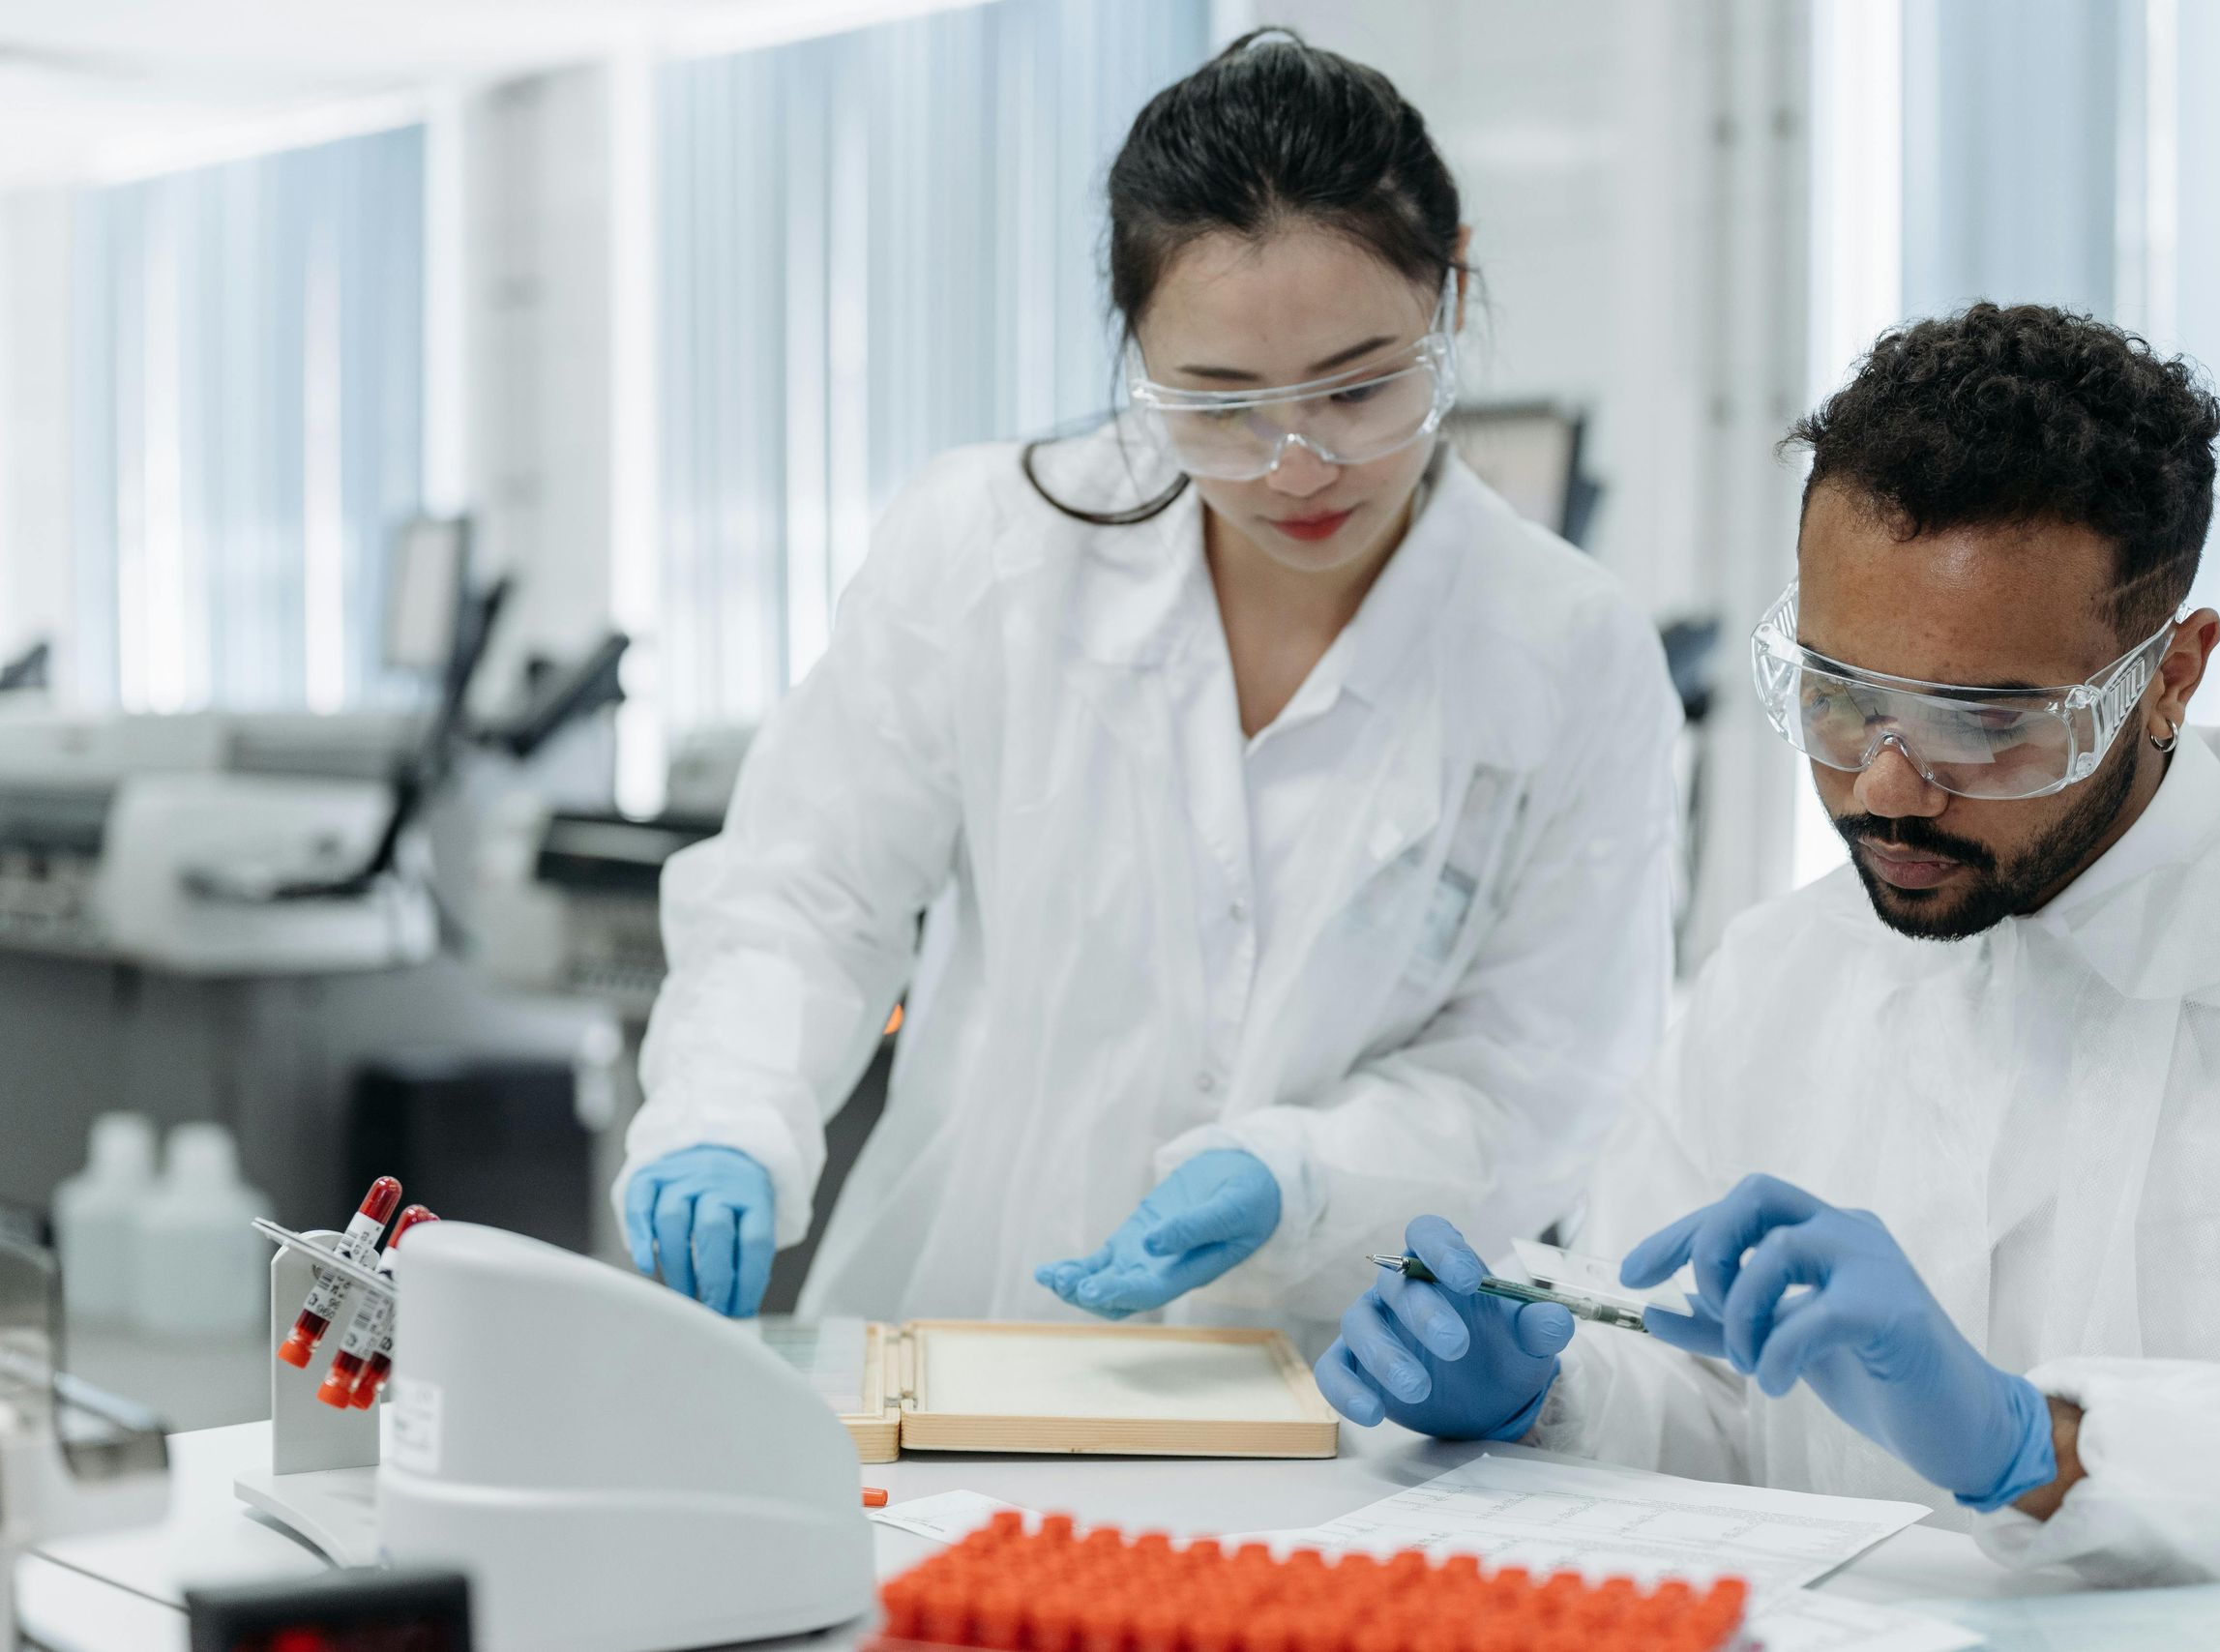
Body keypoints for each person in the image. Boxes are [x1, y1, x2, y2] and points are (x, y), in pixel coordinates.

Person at [1317, 303, 2220, 1585]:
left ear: (2172, 674)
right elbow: (1698, 1408)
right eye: (1836, 695)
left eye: (1982, 724)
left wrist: (2042, 1446)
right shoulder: (1779, 975)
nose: (1882, 787)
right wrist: (1539, 1387)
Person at [614, 31, 1680, 1329]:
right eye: (1220, 402)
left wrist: (1301, 1174)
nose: (1296, 466)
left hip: (1341, 1372)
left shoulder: (1567, 652)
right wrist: (727, 1110)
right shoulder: (991, 550)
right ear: (1136, 350)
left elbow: (1543, 1072)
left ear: (1449, 290)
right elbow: (809, 894)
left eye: (1354, 390)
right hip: (967, 1323)